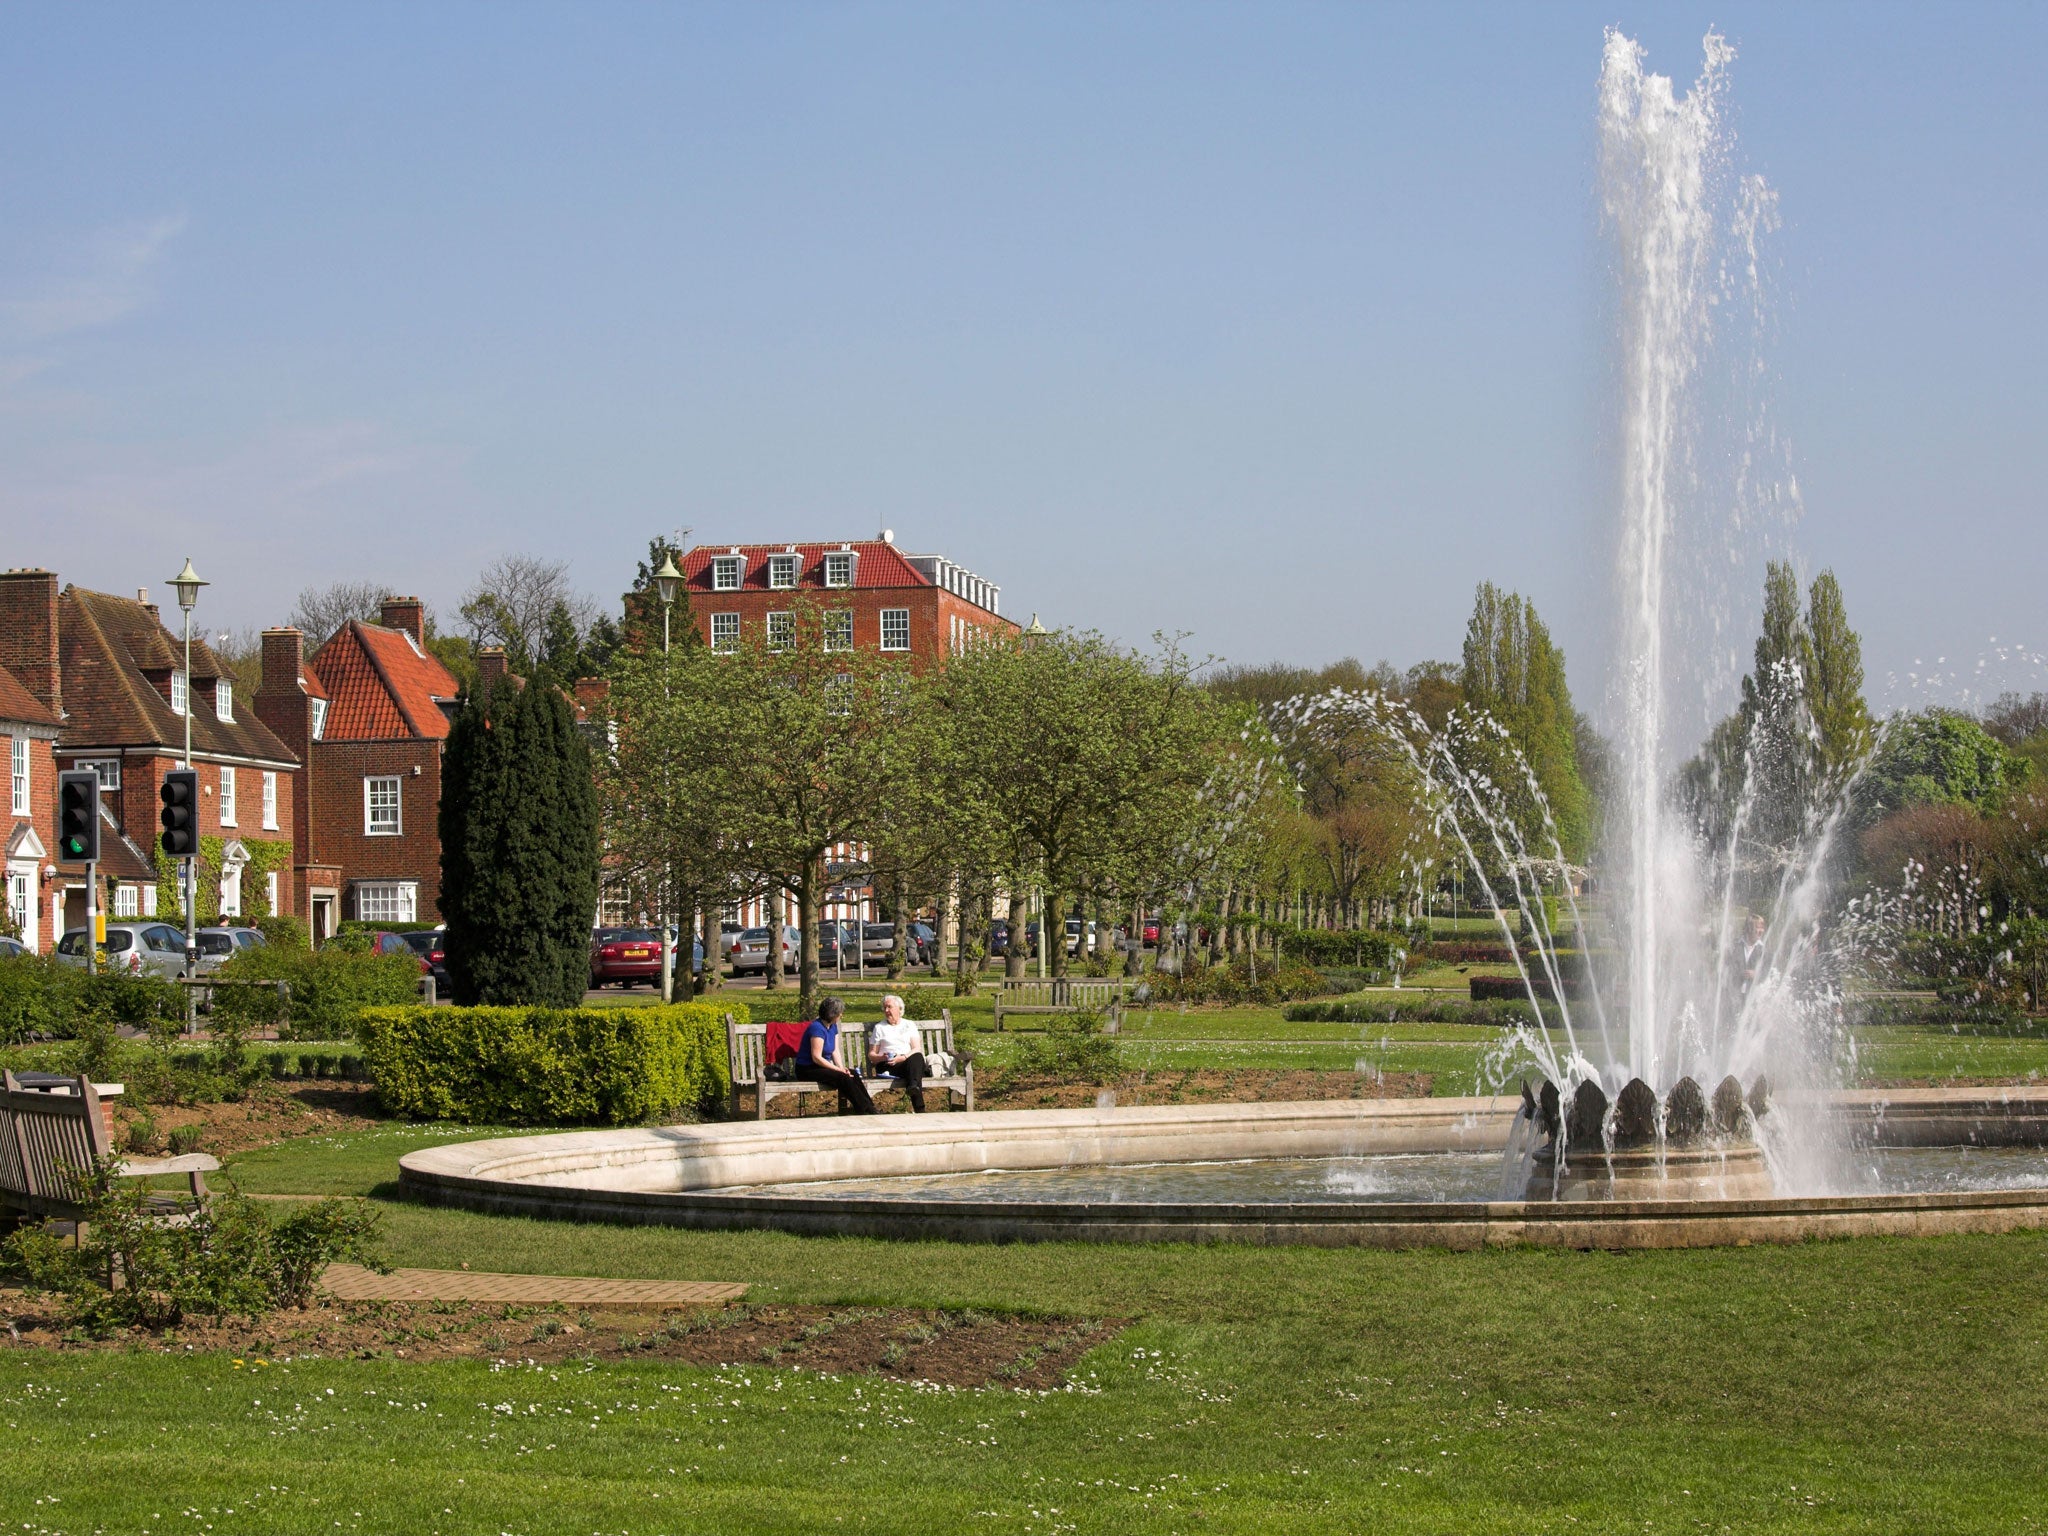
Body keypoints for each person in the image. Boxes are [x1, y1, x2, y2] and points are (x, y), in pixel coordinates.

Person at [795, 997, 877, 1115]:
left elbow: (834, 1050)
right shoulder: (817, 1028)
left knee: (852, 1073)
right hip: (807, 1069)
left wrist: (842, 1068)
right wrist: (838, 1070)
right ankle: (863, 1109)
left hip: (821, 1067)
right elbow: (816, 1057)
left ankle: (870, 1107)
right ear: (832, 1014)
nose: (841, 1015)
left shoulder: (832, 1026)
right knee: (842, 1077)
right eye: (839, 1012)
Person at [867, 992, 928, 1112]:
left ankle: (913, 1086)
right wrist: (882, 1058)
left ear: (900, 1009)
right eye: (884, 1007)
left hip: (906, 1062)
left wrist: (903, 1057)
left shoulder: (909, 1025)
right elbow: (871, 1054)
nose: (886, 1010)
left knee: (917, 1057)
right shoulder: (879, 1028)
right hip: (887, 1066)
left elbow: (916, 1048)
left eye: (889, 1007)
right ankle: (920, 1108)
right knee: (914, 1074)